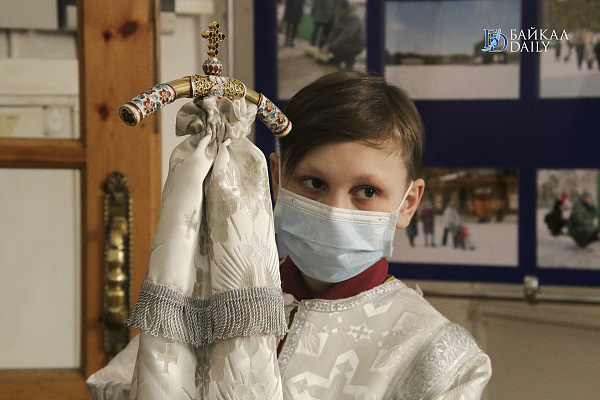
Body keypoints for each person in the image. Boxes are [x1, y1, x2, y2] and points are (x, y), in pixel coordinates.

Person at [270, 70, 491, 398]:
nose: (335, 213)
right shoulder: (225, 299)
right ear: (278, 179)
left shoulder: (436, 356)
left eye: (367, 191)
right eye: (315, 183)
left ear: (407, 204)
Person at [319, 0, 365, 70]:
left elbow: (346, 35)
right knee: (334, 46)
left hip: (355, 44)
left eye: (338, 10)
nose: (336, 12)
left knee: (339, 47)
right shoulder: (339, 16)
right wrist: (328, 44)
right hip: (345, 42)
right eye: (335, 9)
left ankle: (349, 64)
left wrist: (330, 46)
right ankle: (337, 60)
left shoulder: (353, 17)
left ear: (344, 9)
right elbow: (334, 32)